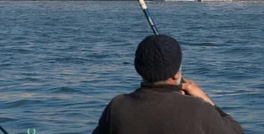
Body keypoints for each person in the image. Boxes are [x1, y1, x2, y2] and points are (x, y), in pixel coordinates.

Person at [92, 34, 244, 134]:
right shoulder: (199, 109)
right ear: (176, 74)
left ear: (139, 69)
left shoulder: (117, 107)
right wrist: (205, 99)